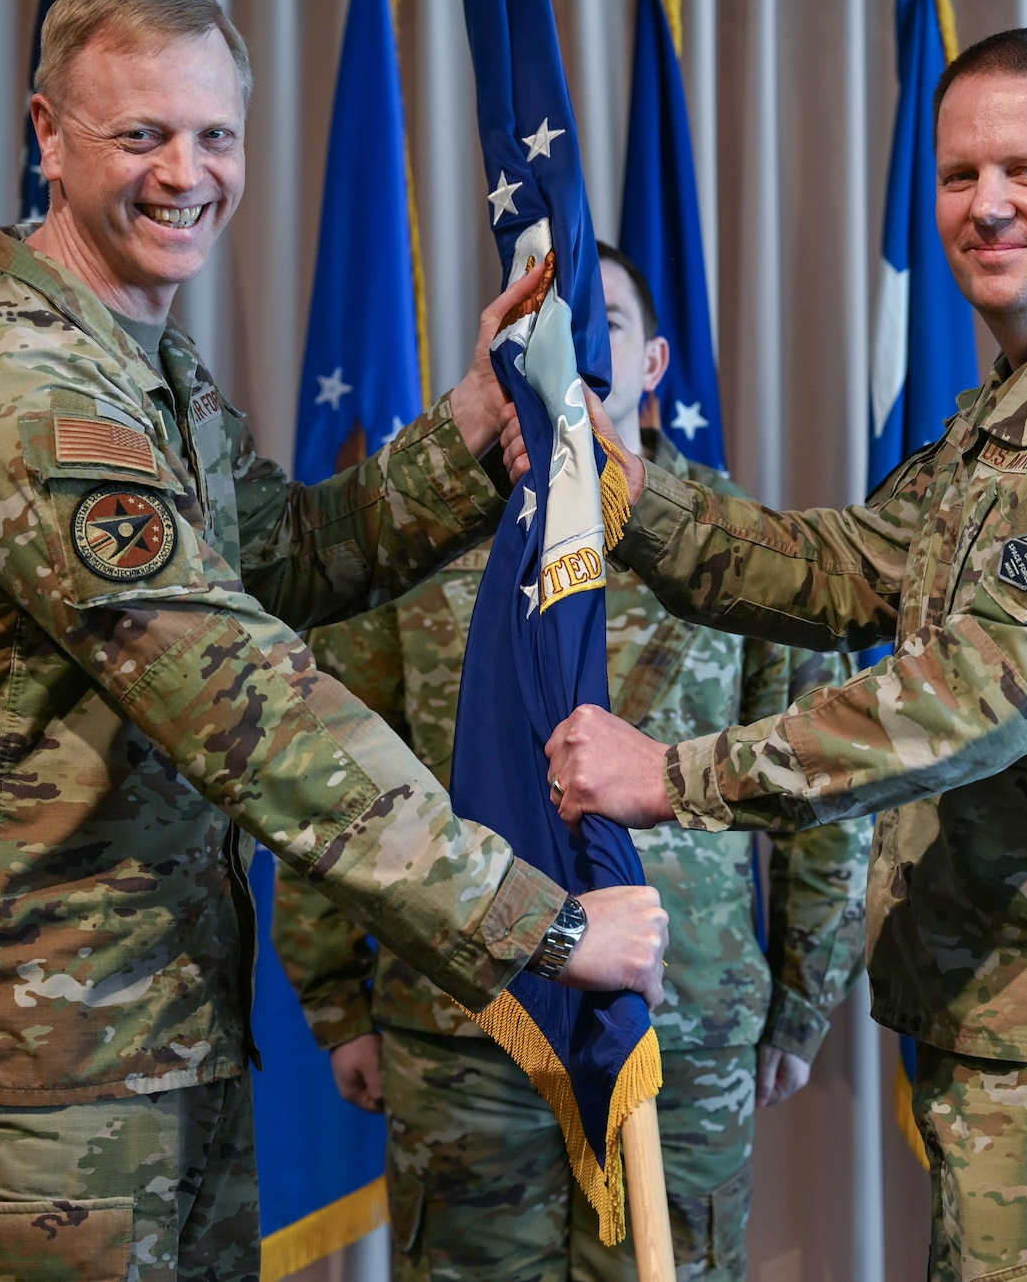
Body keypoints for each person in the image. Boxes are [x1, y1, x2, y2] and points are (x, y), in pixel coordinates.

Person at [0, 0, 668, 1282]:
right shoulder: (29, 396)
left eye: (214, 134)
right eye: (142, 134)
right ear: (48, 136)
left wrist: (473, 417)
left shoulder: (145, 369)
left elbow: (287, 559)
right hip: (40, 1075)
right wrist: (543, 922)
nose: (186, 173)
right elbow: (245, 702)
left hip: (155, 1032)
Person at [538, 28, 1027, 1281]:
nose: (984, 205)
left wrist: (670, 776)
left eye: (1026, 171)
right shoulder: (1022, 412)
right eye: (958, 175)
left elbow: (973, 697)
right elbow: (843, 569)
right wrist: (621, 496)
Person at [273, 244, 872, 1282]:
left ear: (654, 365)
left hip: (681, 1024)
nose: (571, 358)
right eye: (541, 336)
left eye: (601, 332)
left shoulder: (740, 549)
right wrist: (333, 1001)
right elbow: (334, 767)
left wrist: (800, 1004)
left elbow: (820, 793)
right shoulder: (416, 543)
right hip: (465, 1025)